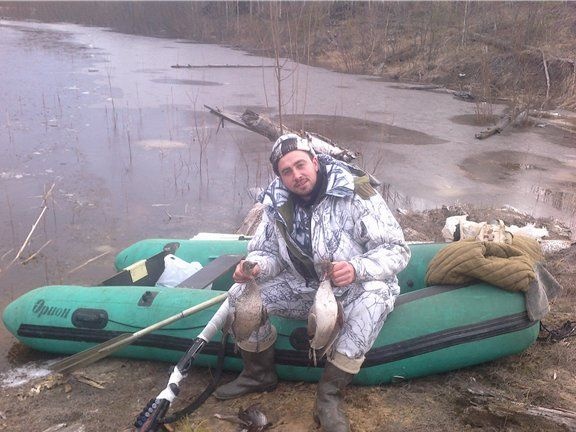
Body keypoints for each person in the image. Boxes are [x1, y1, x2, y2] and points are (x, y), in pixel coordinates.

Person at [213, 133, 411, 432]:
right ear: (280, 176)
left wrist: (357, 268)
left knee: (375, 297)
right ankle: (258, 374)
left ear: (315, 162)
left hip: (353, 286)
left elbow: (397, 249)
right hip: (302, 286)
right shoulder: (275, 204)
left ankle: (328, 396)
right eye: (287, 171)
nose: (296, 175)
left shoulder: (357, 193)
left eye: (300, 165)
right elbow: (268, 253)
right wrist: (254, 267)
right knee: (240, 293)